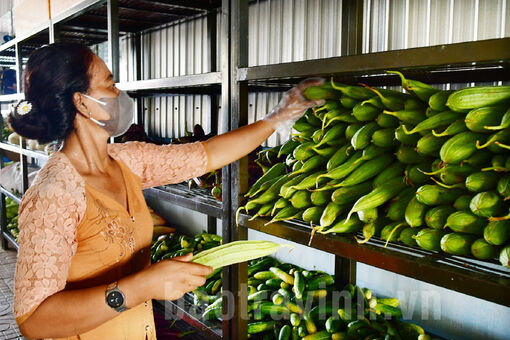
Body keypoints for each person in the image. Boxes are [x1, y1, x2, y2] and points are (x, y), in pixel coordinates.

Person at [9, 42, 323, 339]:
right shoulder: (53, 195)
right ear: (81, 102)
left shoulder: (125, 160)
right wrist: (141, 287)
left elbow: (209, 154)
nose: (119, 93)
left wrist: (280, 115)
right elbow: (34, 319)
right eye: (110, 84)